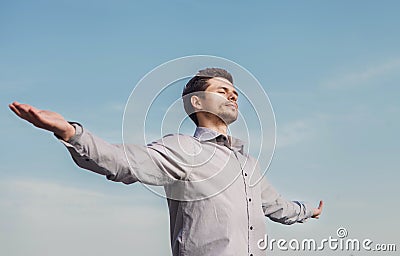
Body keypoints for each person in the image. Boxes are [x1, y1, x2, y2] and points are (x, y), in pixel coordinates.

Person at [9, 68, 323, 256]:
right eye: (222, 90)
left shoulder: (248, 164)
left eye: (235, 92)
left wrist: (309, 211)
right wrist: (71, 133)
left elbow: (278, 206)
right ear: (196, 102)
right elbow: (122, 162)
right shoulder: (182, 149)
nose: (233, 96)